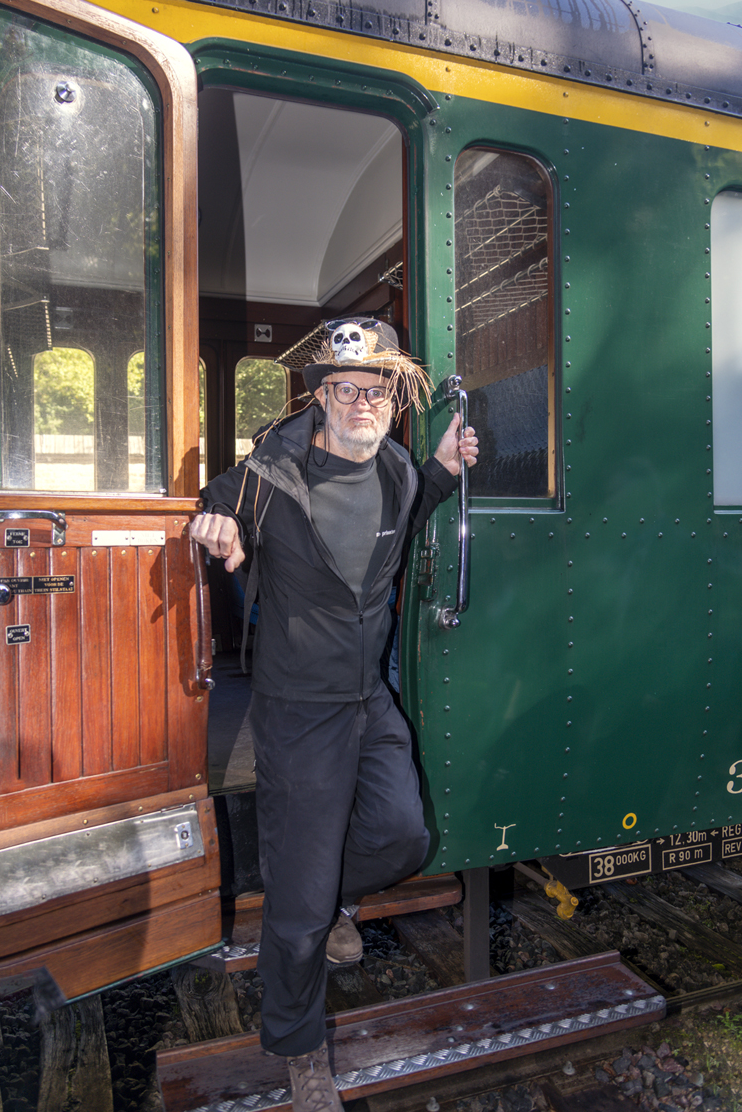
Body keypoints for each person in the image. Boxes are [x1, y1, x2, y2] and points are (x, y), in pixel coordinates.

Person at [190, 317, 478, 1112]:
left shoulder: (392, 467)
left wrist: (445, 470)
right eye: (345, 388)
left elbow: (404, 525)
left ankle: (336, 902)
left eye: (376, 388)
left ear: (394, 397)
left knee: (405, 834)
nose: (362, 401)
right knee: (296, 899)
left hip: (367, 700)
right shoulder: (267, 474)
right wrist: (213, 529)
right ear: (319, 396)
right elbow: (213, 514)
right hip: (298, 712)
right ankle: (298, 1044)